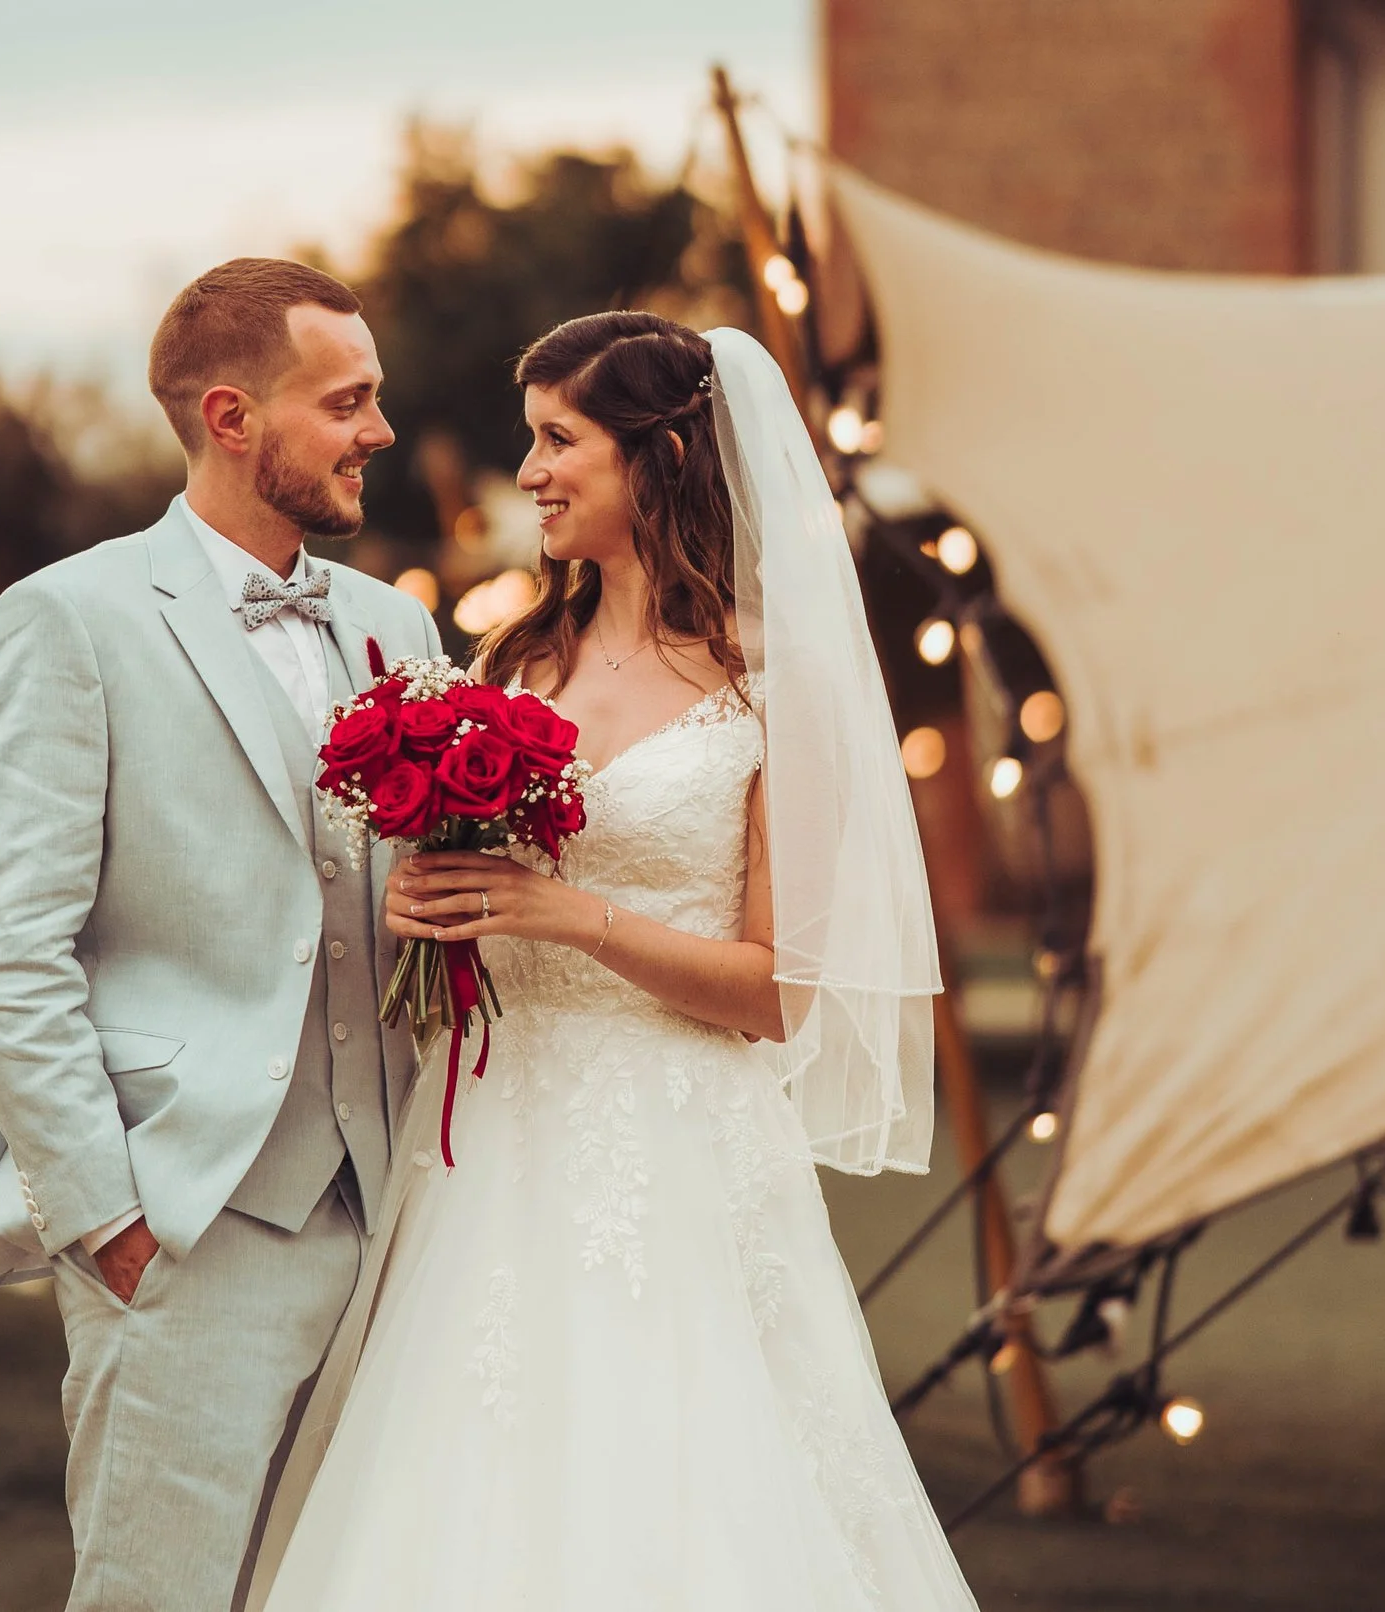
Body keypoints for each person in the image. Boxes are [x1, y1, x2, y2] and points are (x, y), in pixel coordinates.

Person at [251, 313, 978, 1610]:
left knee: (684, 1485)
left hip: (680, 1149)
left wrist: (566, 917)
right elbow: (476, 898)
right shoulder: (514, 661)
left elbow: (775, 992)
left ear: (662, 456)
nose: (527, 470)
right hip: (491, 1139)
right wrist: (438, 908)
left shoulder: (770, 678)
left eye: (557, 439)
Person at [0, 257, 441, 1612]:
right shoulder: (72, 619)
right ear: (233, 417)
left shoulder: (399, 629)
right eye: (348, 402)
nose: (379, 434)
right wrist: (105, 1214)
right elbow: (10, 948)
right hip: (187, 1218)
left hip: (394, 1217)